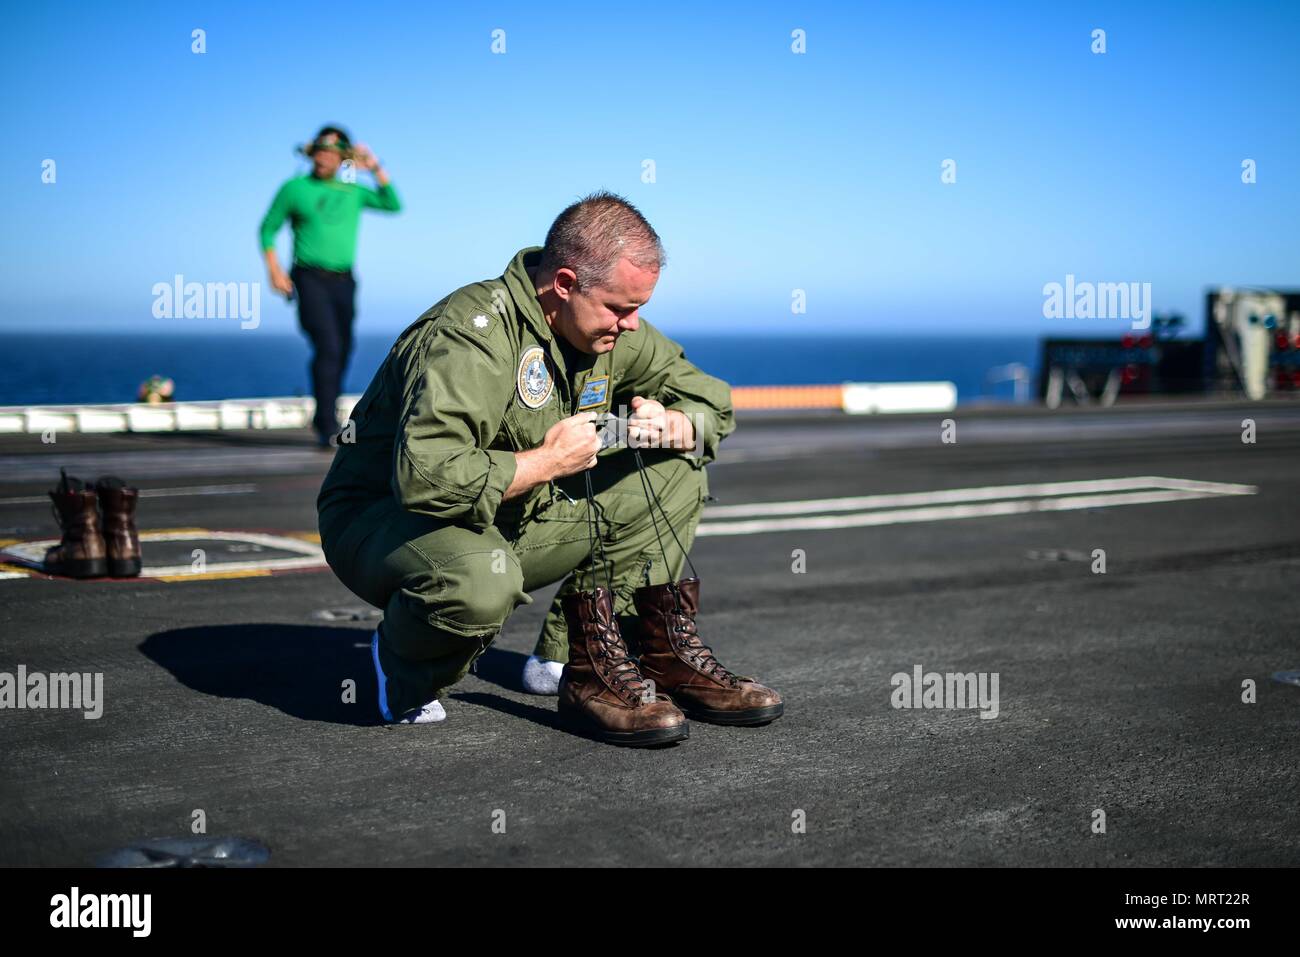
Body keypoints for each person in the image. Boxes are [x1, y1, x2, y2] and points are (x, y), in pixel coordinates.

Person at [317, 192, 782, 745]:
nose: (633, 325)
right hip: (387, 520)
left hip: (509, 510)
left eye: (640, 307)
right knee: (482, 580)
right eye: (619, 308)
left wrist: (682, 423)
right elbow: (427, 477)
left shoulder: (604, 327)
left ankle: (582, 665)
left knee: (676, 473)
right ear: (563, 283)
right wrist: (544, 462)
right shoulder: (474, 334)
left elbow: (712, 400)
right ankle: (404, 673)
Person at [259, 125, 402, 447]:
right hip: (309, 278)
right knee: (329, 346)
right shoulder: (294, 188)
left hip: (344, 280)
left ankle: (327, 415)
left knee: (344, 348)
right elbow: (267, 229)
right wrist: (274, 271)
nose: (325, 158)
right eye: (320, 152)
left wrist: (375, 167)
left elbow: (393, 204)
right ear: (312, 155)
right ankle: (326, 425)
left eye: (333, 154)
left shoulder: (352, 190)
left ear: (342, 158)